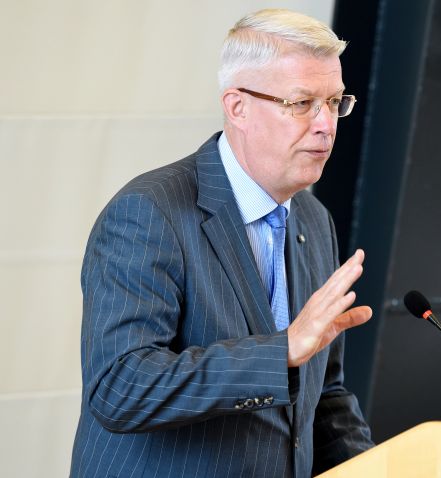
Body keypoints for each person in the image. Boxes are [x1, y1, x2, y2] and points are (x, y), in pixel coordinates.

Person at [70, 9, 374, 477]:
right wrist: (280, 353)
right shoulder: (149, 213)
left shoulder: (314, 220)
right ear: (237, 107)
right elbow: (120, 387)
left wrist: (373, 467)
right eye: (302, 103)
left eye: (334, 102)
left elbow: (324, 394)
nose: (325, 124)